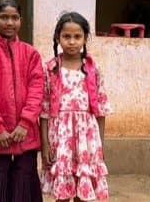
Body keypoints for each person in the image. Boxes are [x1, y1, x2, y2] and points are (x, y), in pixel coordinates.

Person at [0, 0, 44, 202]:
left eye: (15, 18)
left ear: (21, 20)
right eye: (4, 17)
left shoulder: (31, 54)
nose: (9, 22)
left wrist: (25, 123)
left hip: (25, 133)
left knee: (25, 179)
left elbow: (36, 90)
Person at [40, 12, 111, 202]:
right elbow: (44, 111)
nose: (72, 42)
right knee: (63, 190)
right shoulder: (50, 69)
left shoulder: (92, 69)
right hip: (60, 137)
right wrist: (45, 144)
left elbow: (101, 110)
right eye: (66, 36)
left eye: (77, 37)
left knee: (82, 187)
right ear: (58, 38)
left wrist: (100, 145)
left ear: (85, 38)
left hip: (87, 138)